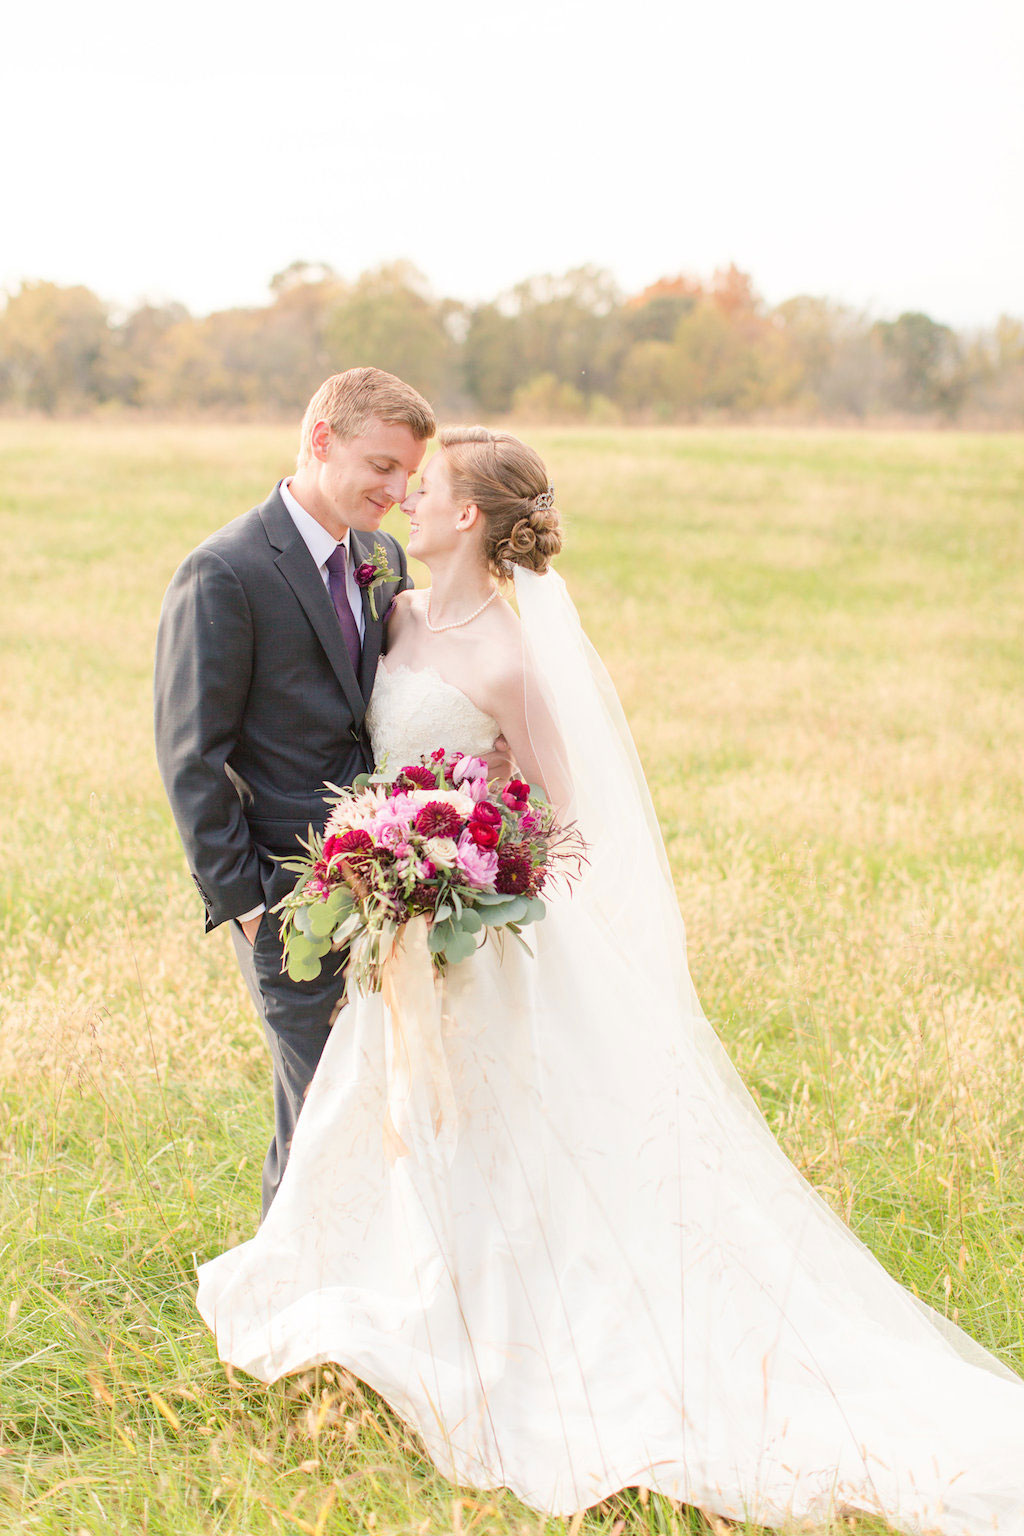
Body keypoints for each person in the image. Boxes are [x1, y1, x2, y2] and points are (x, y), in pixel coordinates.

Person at [195, 428, 1024, 1533]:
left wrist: (469, 868)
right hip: (402, 937)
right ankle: (417, 1320)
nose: (407, 501)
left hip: (481, 937)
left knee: (519, 1140)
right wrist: (389, 861)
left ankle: (536, 1349)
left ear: (471, 519)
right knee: (414, 1128)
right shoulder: (393, 608)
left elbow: (560, 812)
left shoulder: (509, 655)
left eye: (426, 487)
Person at [154, 367, 434, 1217]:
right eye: (381, 466)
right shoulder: (225, 570)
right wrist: (244, 904)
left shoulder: (381, 557)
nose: (397, 491)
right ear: (321, 440)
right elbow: (190, 754)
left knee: (381, 1098)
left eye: (408, 476)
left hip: (389, 887)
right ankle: (291, 1313)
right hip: (284, 893)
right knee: (319, 1110)